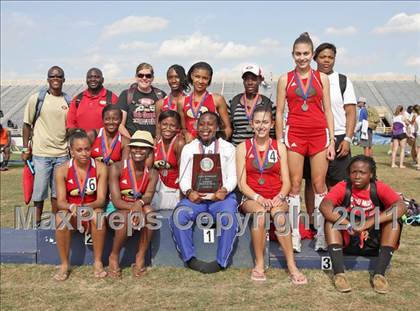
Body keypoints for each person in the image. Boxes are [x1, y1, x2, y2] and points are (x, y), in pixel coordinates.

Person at [275, 33, 335, 252]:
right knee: (295, 185)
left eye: (306, 54)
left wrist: (330, 141)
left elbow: (328, 109)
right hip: (295, 135)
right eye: (298, 54)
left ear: (312, 55)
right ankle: (294, 235)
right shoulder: (284, 79)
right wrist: (281, 141)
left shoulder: (322, 78)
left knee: (320, 186)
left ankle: (321, 234)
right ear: (292, 55)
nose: (302, 58)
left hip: (319, 134)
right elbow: (280, 112)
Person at [236, 105, 307, 284]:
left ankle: (292, 266)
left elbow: (287, 181)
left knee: (280, 217)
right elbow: (242, 184)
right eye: (258, 122)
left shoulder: (280, 147)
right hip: (252, 198)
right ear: (252, 124)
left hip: (277, 196)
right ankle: (259, 264)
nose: (261, 126)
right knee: (260, 215)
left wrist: (280, 197)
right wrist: (259, 198)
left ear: (272, 123)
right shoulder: (242, 147)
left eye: (265, 122)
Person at [320, 155, 406, 293]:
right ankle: (339, 274)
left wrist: (369, 223)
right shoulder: (343, 186)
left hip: (372, 238)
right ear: (349, 173)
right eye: (354, 172)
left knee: (394, 220)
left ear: (371, 174)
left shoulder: (378, 187)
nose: (357, 176)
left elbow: (401, 206)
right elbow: (325, 206)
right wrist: (349, 225)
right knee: (331, 219)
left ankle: (379, 275)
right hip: (349, 236)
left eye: (362, 172)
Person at [170, 112, 237, 273]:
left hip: (221, 198)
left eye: (210, 124)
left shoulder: (228, 148)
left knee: (228, 216)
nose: (205, 128)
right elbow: (183, 177)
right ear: (196, 127)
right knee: (179, 215)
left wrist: (224, 190)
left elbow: (233, 176)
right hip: (196, 199)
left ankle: (221, 261)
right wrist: (188, 191)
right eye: (202, 124)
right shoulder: (189, 148)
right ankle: (190, 258)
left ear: (218, 127)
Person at [303, 42, 357, 233]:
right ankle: (312, 222)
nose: (326, 60)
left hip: (338, 135)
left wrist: (348, 139)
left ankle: (334, 221)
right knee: (312, 181)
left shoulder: (342, 80)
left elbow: (351, 112)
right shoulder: (308, 78)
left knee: (337, 183)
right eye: (323, 56)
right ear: (315, 58)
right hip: (314, 135)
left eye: (330, 57)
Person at [54, 129, 108, 281]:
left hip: (91, 208)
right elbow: (61, 202)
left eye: (87, 149)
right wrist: (72, 208)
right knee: (60, 218)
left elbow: (101, 199)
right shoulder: (62, 170)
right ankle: (64, 264)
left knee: (99, 216)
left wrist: (87, 207)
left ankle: (98, 262)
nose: (84, 153)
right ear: (71, 151)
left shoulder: (101, 168)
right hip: (72, 211)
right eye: (79, 150)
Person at [22, 66, 70, 224]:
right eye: (52, 76)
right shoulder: (37, 99)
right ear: (48, 79)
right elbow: (27, 125)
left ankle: (56, 225)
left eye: (59, 76)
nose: (56, 78)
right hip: (41, 154)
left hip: (62, 154)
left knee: (57, 194)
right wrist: (24, 148)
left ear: (64, 79)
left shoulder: (68, 101)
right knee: (39, 192)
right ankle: (37, 224)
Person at [107, 130, 158, 278]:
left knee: (151, 213)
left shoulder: (153, 173)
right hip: (116, 208)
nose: (138, 151)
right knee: (124, 218)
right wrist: (135, 207)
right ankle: (114, 256)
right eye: (135, 147)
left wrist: (139, 204)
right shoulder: (116, 168)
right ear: (130, 148)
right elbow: (116, 200)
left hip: (138, 207)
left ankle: (140, 256)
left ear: (149, 151)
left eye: (143, 148)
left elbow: (148, 195)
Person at [179, 62, 232, 143]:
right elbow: (182, 128)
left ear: (209, 79)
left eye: (205, 78)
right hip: (190, 145)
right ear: (191, 76)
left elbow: (227, 128)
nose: (200, 81)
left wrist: (219, 144)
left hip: (211, 145)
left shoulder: (217, 99)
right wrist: (186, 134)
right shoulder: (181, 101)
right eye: (197, 77)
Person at [229, 64, 276, 146]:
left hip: (261, 151)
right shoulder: (233, 103)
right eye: (246, 79)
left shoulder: (268, 104)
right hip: (237, 151)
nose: (249, 82)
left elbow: (273, 133)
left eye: (254, 79)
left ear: (260, 80)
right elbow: (229, 129)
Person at [66, 68, 118, 138]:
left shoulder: (112, 98)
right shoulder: (77, 99)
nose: (93, 79)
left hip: (104, 144)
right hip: (83, 145)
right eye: (90, 77)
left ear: (102, 80)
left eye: (96, 77)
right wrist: (77, 133)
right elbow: (70, 124)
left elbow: (118, 123)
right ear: (86, 80)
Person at [117, 63, 166, 138]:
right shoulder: (126, 95)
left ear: (152, 78)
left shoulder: (161, 95)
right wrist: (131, 141)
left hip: (154, 141)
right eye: (140, 75)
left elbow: (166, 122)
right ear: (136, 77)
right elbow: (120, 125)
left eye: (148, 76)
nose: (144, 78)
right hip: (132, 142)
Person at [152, 110, 185, 210]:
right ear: (159, 125)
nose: (168, 128)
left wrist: (182, 199)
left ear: (178, 127)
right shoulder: (155, 142)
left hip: (173, 190)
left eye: (172, 125)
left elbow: (183, 173)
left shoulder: (179, 143)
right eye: (164, 124)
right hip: (158, 188)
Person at [155, 65, 190, 139]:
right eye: (170, 77)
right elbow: (158, 130)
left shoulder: (190, 102)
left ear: (183, 78)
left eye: (177, 77)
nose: (173, 81)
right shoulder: (160, 103)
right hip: (166, 144)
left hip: (184, 143)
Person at [414, 105, 420, 170]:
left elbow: (415, 128)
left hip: (418, 135)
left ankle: (419, 166)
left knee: (418, 152)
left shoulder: (416, 118)